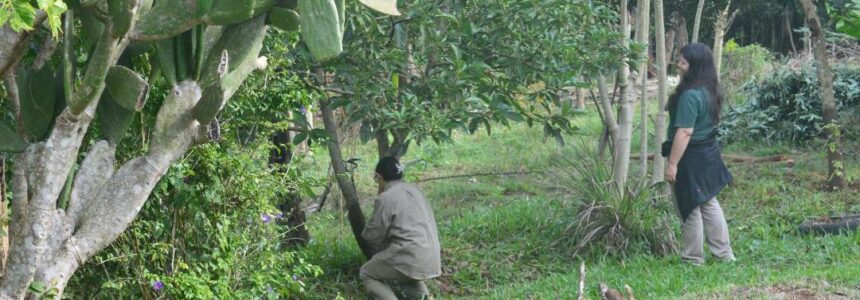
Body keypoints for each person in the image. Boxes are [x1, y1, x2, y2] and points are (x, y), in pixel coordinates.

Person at [662, 43, 736, 266]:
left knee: (689, 204)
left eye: (684, 62)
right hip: (708, 152)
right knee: (708, 201)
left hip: (690, 157)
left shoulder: (690, 95)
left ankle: (692, 258)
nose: (679, 65)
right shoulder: (709, 89)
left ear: (694, 67)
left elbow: (684, 132)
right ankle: (724, 255)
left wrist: (673, 163)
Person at [360, 157, 441, 299]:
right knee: (405, 274)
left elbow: (372, 235)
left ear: (378, 176)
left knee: (367, 273)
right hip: (431, 255)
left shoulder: (386, 198)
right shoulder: (416, 190)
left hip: (409, 255)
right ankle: (423, 297)